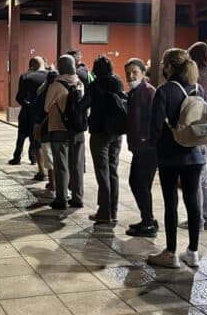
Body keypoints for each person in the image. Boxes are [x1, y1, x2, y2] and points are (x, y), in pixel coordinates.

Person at [147, 48, 205, 269]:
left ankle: (170, 252)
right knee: (193, 202)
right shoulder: (198, 89)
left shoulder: (164, 91)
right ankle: (193, 252)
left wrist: (153, 147)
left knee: (171, 203)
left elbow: (155, 128)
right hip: (195, 155)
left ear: (169, 66)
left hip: (170, 155)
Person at [179, 42, 207, 232]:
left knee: (195, 177)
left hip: (195, 132)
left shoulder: (196, 78)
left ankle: (200, 218)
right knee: (202, 177)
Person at [81, 55, 125, 224]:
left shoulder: (94, 85)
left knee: (102, 171)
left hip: (100, 132)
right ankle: (113, 211)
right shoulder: (117, 82)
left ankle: (104, 211)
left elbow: (83, 105)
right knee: (113, 170)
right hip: (117, 132)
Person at [45, 54, 85, 210]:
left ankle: (61, 199)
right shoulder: (80, 83)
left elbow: (47, 107)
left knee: (61, 166)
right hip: (78, 131)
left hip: (58, 129)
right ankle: (77, 198)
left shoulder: (56, 85)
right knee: (77, 165)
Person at [124, 58, 158, 237]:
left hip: (148, 148)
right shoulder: (134, 91)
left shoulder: (148, 91)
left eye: (135, 72)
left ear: (143, 73)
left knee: (141, 184)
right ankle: (147, 219)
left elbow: (153, 118)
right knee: (137, 183)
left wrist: (146, 137)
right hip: (139, 146)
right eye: (128, 73)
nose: (131, 76)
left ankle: (149, 222)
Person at [10, 57, 48, 165]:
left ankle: (17, 157)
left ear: (30, 64)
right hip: (41, 113)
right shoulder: (48, 76)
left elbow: (19, 97)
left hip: (26, 112)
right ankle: (33, 158)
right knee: (34, 136)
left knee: (21, 135)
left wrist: (27, 105)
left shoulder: (26, 76)